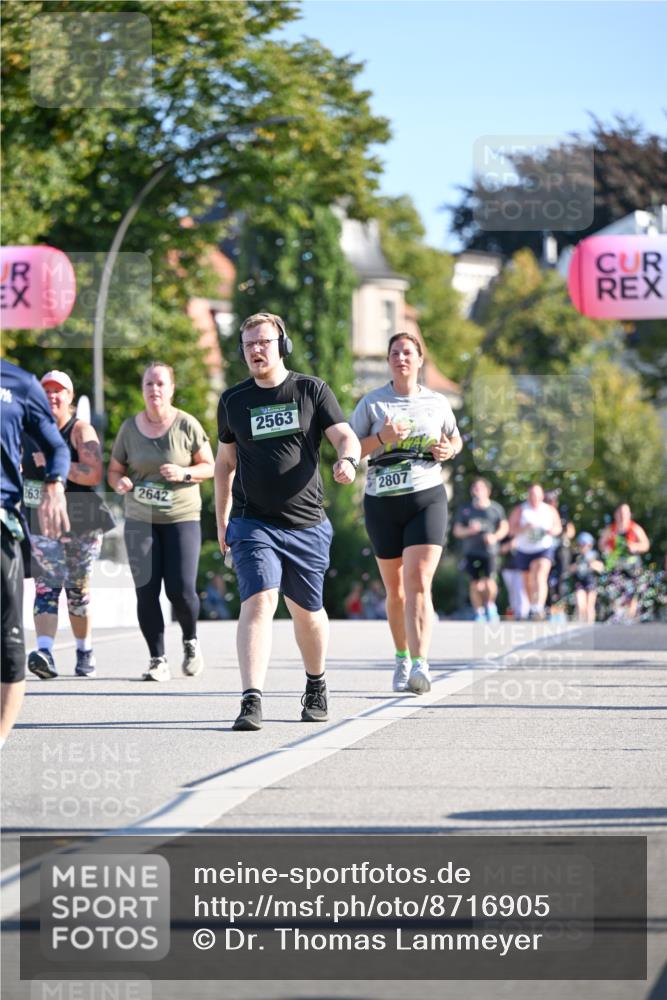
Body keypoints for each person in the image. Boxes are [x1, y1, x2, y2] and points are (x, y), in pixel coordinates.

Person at [215, 312, 360, 731]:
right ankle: (251, 699)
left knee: (307, 612)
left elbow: (344, 435)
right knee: (260, 599)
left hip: (306, 524)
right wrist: (221, 520)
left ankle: (316, 684)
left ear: (282, 345)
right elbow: (225, 463)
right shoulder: (233, 401)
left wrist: (348, 460)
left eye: (263, 342)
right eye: (249, 345)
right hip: (252, 522)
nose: (256, 350)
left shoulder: (311, 390)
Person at [349, 331, 462, 694]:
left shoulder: (437, 402)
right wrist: (382, 438)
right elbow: (349, 450)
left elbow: (455, 438)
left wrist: (449, 450)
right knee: (395, 590)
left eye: (408, 353)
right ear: (388, 361)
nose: (401, 358)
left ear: (420, 359)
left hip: (426, 497)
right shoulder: (372, 403)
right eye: (395, 353)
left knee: (418, 581)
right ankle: (401, 657)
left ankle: (420, 664)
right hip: (382, 502)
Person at [108, 362, 215, 680]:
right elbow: (114, 469)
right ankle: (158, 659)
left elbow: (210, 466)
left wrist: (184, 472)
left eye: (160, 383)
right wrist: (119, 482)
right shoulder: (129, 429)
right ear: (143, 389)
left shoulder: (187, 425)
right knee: (146, 590)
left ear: (171, 389)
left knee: (180, 590)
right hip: (140, 518)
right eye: (148, 384)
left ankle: (190, 640)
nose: (154, 389)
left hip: (181, 517)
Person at [24, 371, 111, 679]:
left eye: (58, 391)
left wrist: (54, 467)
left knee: (77, 592)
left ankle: (84, 649)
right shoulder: (28, 428)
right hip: (43, 521)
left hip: (82, 523)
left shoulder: (80, 430)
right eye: (46, 390)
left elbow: (94, 473)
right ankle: (45, 653)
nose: (52, 396)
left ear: (69, 396)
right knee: (45, 587)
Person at [1, 359, 70, 746]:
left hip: (2, 523)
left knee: (8, 638)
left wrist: (55, 483)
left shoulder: (20, 383)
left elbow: (55, 446)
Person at [453, 478, 508, 622]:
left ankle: (490, 606)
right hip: (471, 552)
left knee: (489, 582)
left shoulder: (495, 509)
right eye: (475, 488)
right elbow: (457, 531)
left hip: (490, 552)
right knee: (475, 583)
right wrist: (469, 530)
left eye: (480, 488)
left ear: (488, 491)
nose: (477, 491)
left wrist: (494, 537)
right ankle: (479, 612)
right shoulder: (466, 509)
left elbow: (504, 527)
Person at [508, 484, 562, 621]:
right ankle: (532, 606)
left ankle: (539, 606)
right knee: (528, 580)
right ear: (528, 495)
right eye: (532, 494)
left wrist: (551, 531)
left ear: (542, 495)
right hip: (524, 549)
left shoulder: (549, 510)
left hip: (543, 548)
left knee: (540, 575)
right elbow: (511, 530)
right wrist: (524, 528)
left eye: (537, 495)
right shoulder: (521, 509)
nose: (534, 498)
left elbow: (558, 528)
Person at [598, 504, 650, 622]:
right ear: (616, 515)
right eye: (620, 513)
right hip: (616, 564)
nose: (622, 516)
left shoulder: (635, 528)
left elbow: (646, 545)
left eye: (625, 513)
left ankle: (629, 619)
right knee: (615, 590)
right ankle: (618, 617)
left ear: (629, 514)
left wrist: (635, 546)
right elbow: (601, 544)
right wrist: (606, 548)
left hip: (632, 565)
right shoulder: (611, 529)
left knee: (632, 592)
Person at [569, 531, 604, 623]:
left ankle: (590, 625)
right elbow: (569, 569)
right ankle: (581, 624)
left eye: (586, 545)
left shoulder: (594, 555)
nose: (584, 547)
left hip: (591, 581)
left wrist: (591, 563)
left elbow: (601, 568)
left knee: (589, 606)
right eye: (582, 545)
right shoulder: (576, 555)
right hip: (579, 582)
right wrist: (577, 564)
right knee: (581, 605)